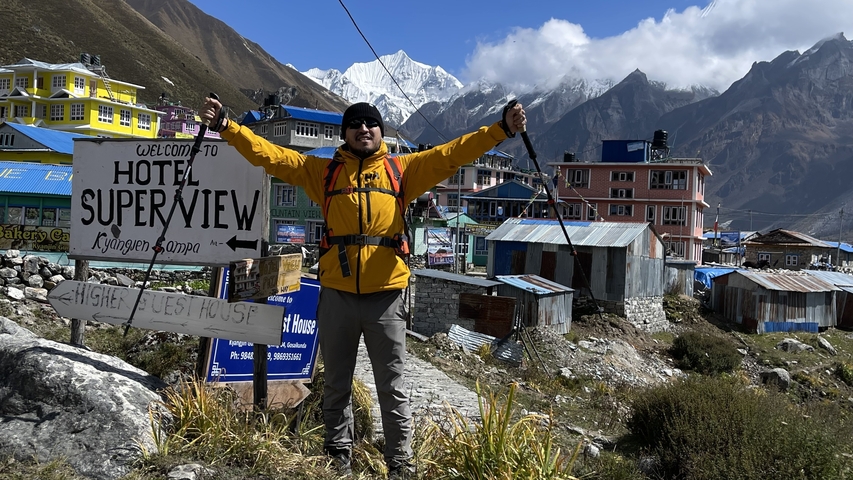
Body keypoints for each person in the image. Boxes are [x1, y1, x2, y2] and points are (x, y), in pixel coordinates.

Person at [200, 98, 526, 478]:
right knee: (337, 384)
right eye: (355, 124)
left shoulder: (403, 170)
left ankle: (400, 463)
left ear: (381, 131)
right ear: (345, 133)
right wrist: (227, 125)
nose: (363, 129)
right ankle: (338, 457)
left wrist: (501, 128)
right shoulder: (320, 172)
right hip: (337, 296)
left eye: (371, 123)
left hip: (386, 299)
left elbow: (454, 152)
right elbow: (271, 155)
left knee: (392, 386)